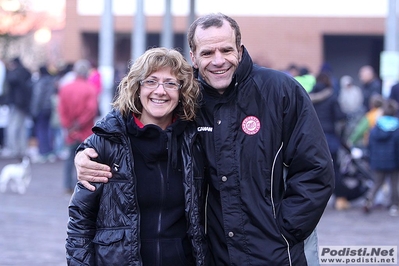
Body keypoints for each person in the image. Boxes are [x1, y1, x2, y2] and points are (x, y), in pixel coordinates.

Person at [75, 13, 334, 265]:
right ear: (194, 58)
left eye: (226, 50)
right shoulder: (187, 98)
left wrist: (284, 230)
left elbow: (315, 169)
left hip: (275, 253)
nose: (218, 60)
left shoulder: (280, 92)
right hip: (215, 254)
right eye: (208, 53)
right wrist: (86, 150)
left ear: (240, 51)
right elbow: (131, 119)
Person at [65, 47, 208, 265]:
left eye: (170, 83)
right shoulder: (107, 142)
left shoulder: (194, 141)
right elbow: (80, 221)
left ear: (181, 92)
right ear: (137, 87)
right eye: (151, 81)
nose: (160, 91)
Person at [58, 59, 98, 194]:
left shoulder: (65, 88)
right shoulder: (90, 89)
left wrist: (69, 126)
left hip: (70, 130)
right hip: (85, 130)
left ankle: (66, 185)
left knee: (69, 158)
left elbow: (61, 109)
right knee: (86, 158)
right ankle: (81, 186)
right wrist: (79, 124)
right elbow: (91, 110)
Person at [310, 72, 348, 210]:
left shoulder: (307, 96)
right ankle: (339, 199)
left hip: (312, 138)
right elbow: (340, 116)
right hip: (330, 137)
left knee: (313, 169)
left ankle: (313, 200)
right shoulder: (331, 96)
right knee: (334, 169)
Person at [364, 99, 399, 216]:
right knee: (394, 183)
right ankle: (394, 205)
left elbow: (370, 145)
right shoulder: (397, 128)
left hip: (378, 160)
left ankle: (369, 200)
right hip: (394, 160)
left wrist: (371, 159)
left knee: (377, 182)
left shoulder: (376, 127)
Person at [2, 57, 32, 158]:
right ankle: (23, 149)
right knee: (22, 128)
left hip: (16, 104)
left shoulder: (14, 73)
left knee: (12, 127)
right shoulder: (26, 73)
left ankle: (14, 149)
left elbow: (10, 82)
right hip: (24, 105)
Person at [30, 65, 57, 163]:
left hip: (41, 109)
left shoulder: (40, 82)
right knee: (48, 130)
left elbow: (37, 97)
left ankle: (42, 152)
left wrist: (34, 111)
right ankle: (50, 151)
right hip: (49, 109)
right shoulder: (51, 81)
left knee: (40, 130)